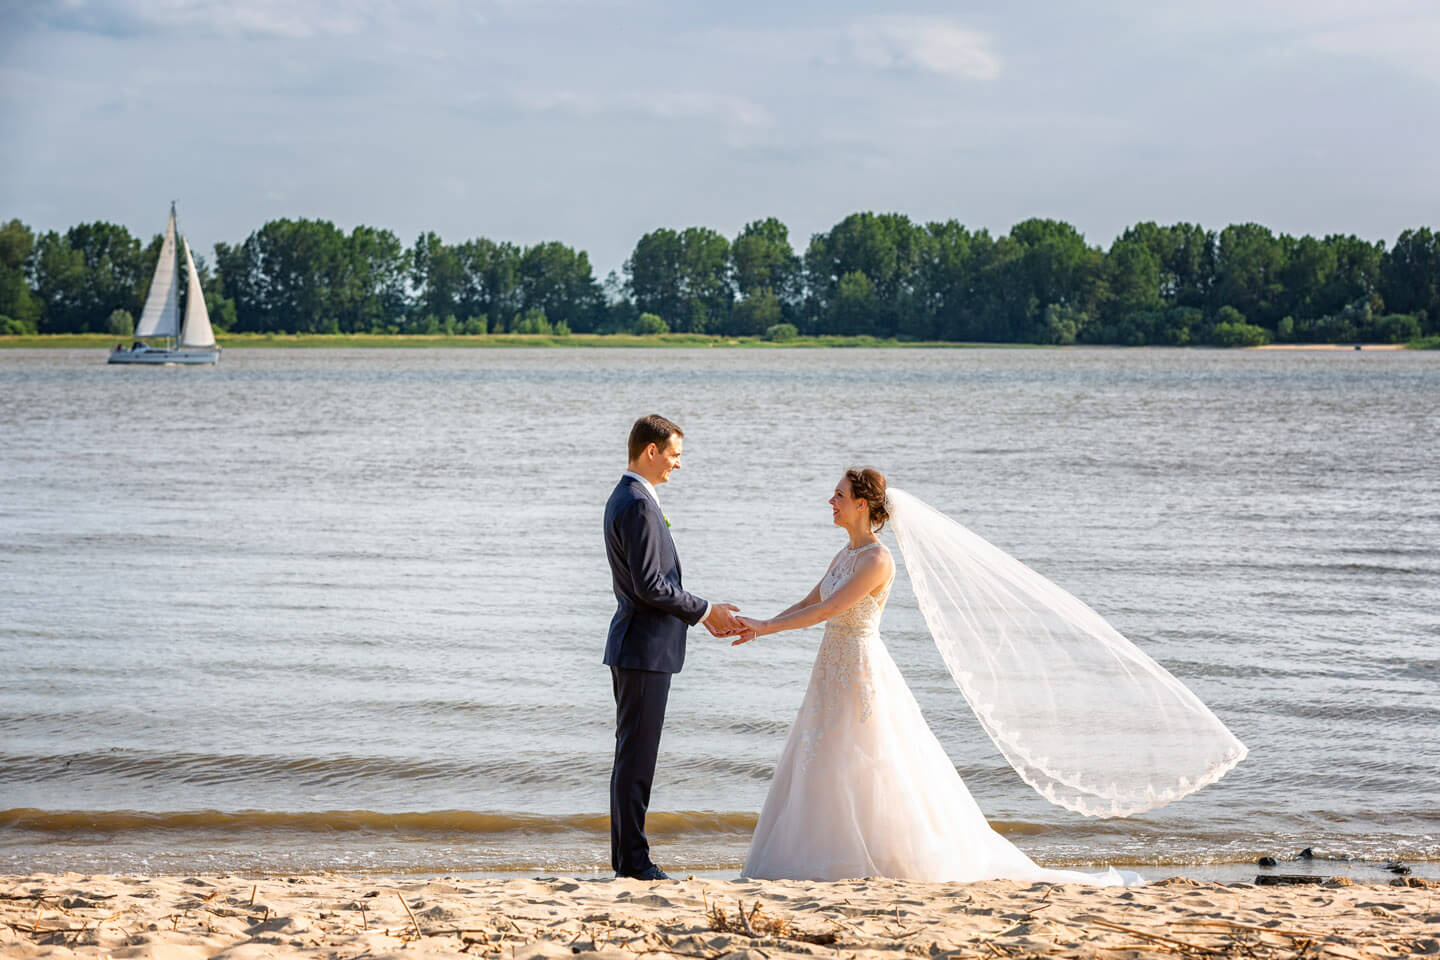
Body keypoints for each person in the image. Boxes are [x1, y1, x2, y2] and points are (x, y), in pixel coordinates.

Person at [733, 468, 1245, 882]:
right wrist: (760, 624)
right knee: (820, 753)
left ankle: (867, 858)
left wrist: (767, 628)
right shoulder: (844, 554)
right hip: (830, 666)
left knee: (863, 757)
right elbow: (811, 600)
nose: (832, 502)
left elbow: (830, 610)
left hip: (859, 668)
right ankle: (815, 853)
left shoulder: (877, 561)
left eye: (839, 496)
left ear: (862, 504)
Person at [603, 415, 748, 881]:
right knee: (636, 760)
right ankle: (635, 863)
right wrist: (706, 611)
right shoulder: (638, 503)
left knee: (631, 757)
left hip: (638, 646)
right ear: (651, 451)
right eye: (674, 454)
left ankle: (627, 859)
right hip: (644, 649)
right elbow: (650, 585)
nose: (678, 464)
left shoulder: (629, 497)